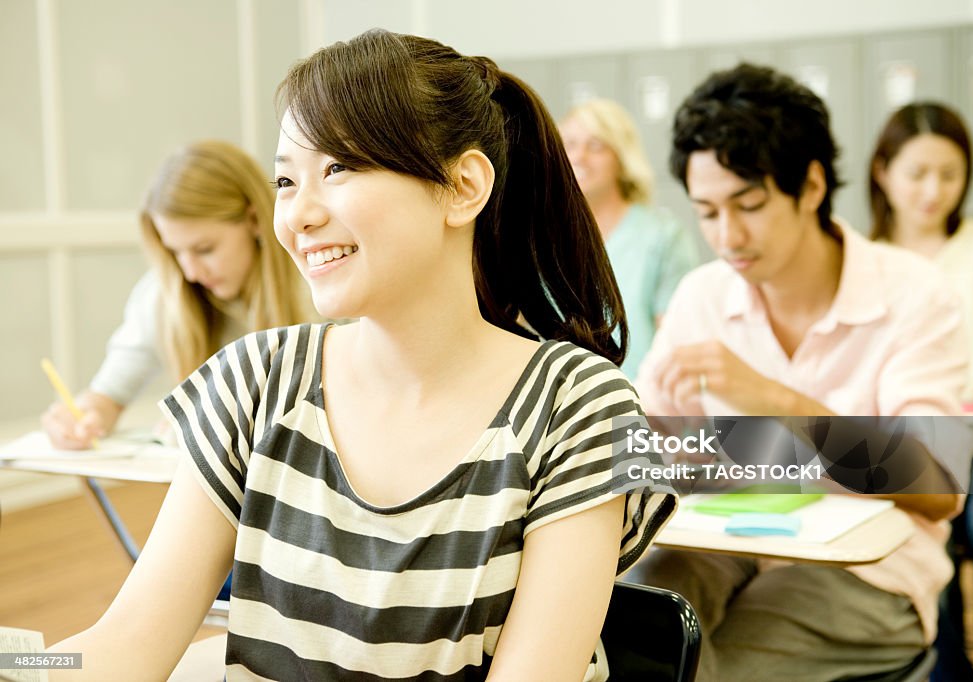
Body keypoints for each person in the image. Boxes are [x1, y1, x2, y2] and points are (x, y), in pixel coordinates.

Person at [49, 29, 675, 681]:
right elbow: (123, 646)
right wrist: (21, 657)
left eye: (339, 168)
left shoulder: (578, 407)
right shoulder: (254, 380)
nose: (298, 216)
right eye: (287, 179)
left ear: (463, 187)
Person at [628, 63, 972, 681]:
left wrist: (774, 399)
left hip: (866, 569)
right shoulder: (702, 295)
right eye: (706, 212)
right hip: (722, 541)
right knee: (628, 632)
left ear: (812, 186)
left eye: (749, 204)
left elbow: (939, 483)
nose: (726, 235)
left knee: (710, 670)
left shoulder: (914, 295)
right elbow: (647, 445)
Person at [869, 101, 973, 682]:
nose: (933, 190)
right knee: (909, 555)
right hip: (911, 449)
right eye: (917, 173)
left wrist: (942, 397)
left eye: (950, 174)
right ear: (883, 173)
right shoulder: (867, 262)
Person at [40, 140, 313, 449]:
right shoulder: (162, 295)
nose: (190, 273)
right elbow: (107, 396)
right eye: (176, 252)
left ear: (254, 220)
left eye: (204, 249)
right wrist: (82, 418)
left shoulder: (317, 285)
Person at [560, 98, 699, 379]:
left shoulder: (662, 236)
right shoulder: (548, 238)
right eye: (570, 145)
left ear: (622, 159)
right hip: (566, 409)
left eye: (596, 146)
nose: (579, 157)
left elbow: (678, 343)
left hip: (642, 408)